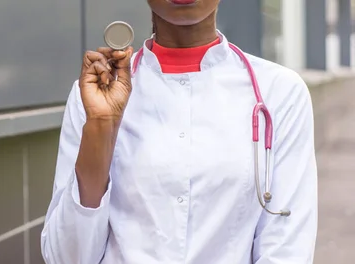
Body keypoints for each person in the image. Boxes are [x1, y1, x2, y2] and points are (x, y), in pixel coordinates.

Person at [40, 0, 318, 263]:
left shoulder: (281, 93)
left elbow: (287, 249)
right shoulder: (93, 95)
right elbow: (66, 257)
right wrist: (101, 126)